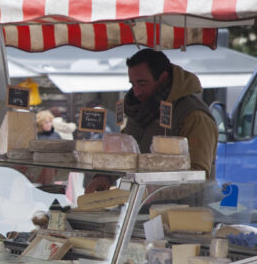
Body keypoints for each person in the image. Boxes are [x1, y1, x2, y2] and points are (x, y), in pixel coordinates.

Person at [84, 48, 218, 193]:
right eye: (133, 84)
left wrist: (152, 191)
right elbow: (127, 156)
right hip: (139, 207)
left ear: (163, 78)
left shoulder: (195, 116)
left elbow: (198, 175)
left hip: (180, 210)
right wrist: (105, 177)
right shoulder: (139, 110)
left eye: (142, 84)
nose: (136, 92)